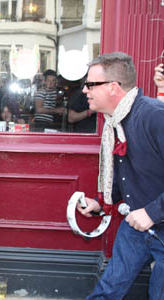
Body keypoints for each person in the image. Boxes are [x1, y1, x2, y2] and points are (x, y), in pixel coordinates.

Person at [77, 52, 164, 299]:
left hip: (153, 218)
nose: (85, 90)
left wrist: (151, 213)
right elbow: (126, 174)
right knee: (107, 291)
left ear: (113, 87)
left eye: (91, 84)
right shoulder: (114, 121)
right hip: (136, 225)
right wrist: (101, 202)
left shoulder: (155, 115)